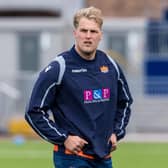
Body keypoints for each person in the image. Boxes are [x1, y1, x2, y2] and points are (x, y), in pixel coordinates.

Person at [25, 6, 133, 168]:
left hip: (104, 157)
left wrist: (116, 132)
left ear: (101, 35)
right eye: (83, 31)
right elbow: (33, 111)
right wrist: (64, 138)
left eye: (93, 31)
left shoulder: (111, 66)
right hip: (72, 158)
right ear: (75, 33)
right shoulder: (58, 68)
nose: (88, 36)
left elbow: (124, 103)